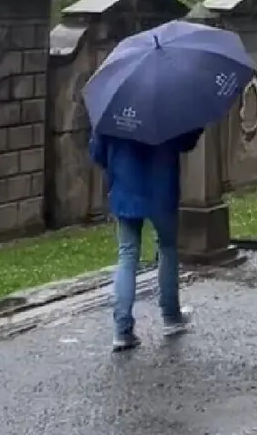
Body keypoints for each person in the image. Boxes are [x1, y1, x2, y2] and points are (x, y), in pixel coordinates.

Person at [89, 128, 203, 352]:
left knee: (127, 253)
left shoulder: (113, 110)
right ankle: (171, 316)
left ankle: (122, 330)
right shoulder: (167, 107)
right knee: (168, 248)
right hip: (162, 186)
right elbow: (186, 141)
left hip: (125, 188)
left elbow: (97, 152)